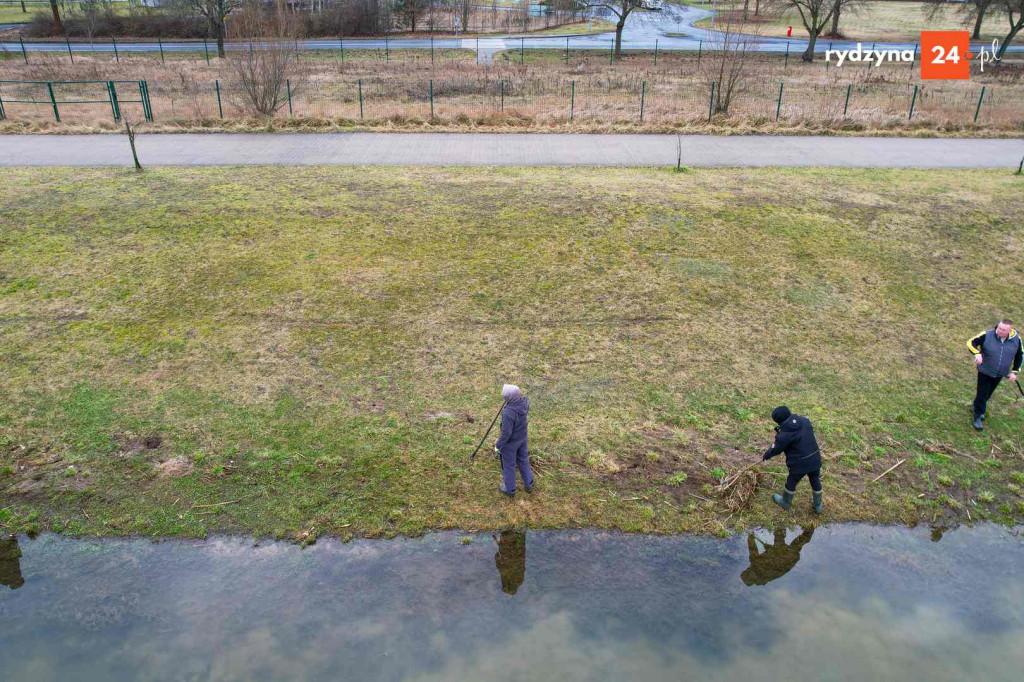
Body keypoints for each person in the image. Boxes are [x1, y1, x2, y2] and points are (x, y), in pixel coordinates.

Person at [763, 406, 823, 513]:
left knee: (792, 481)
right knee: (815, 479)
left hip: (800, 464)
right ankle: (818, 505)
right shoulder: (804, 421)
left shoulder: (784, 435)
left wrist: (766, 455)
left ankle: (785, 502)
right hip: (815, 458)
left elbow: (776, 449)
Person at [967, 319, 1021, 430]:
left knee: (988, 393)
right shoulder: (987, 334)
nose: (999, 331)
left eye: (1003, 330)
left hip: (1000, 373)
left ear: (1009, 331)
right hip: (985, 371)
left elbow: (1020, 355)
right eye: (999, 328)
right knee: (982, 393)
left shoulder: (1016, 340)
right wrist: (977, 354)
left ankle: (976, 406)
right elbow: (971, 342)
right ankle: (978, 416)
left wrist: (1014, 371)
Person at [494, 383, 534, 496]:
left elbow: (506, 433)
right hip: (522, 438)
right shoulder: (524, 402)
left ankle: (510, 489)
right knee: (523, 460)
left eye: (505, 397)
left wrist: (498, 446)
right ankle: (529, 484)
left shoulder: (508, 413)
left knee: (509, 465)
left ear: (509, 398)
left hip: (510, 444)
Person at [740, 527, 813, 586]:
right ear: (748, 571)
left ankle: (809, 527)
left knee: (793, 543)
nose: (747, 568)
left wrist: (769, 550)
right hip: (788, 558)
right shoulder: (757, 565)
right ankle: (809, 526)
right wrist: (750, 537)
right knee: (786, 541)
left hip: (787, 558)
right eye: (747, 570)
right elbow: (753, 548)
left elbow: (753, 549)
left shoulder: (764, 576)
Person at [493, 530, 526, 595]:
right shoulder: (515, 578)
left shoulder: (519, 579)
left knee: (516, 536)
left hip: (516, 548)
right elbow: (499, 565)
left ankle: (516, 531)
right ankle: (514, 531)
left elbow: (523, 566)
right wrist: (497, 557)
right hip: (510, 549)